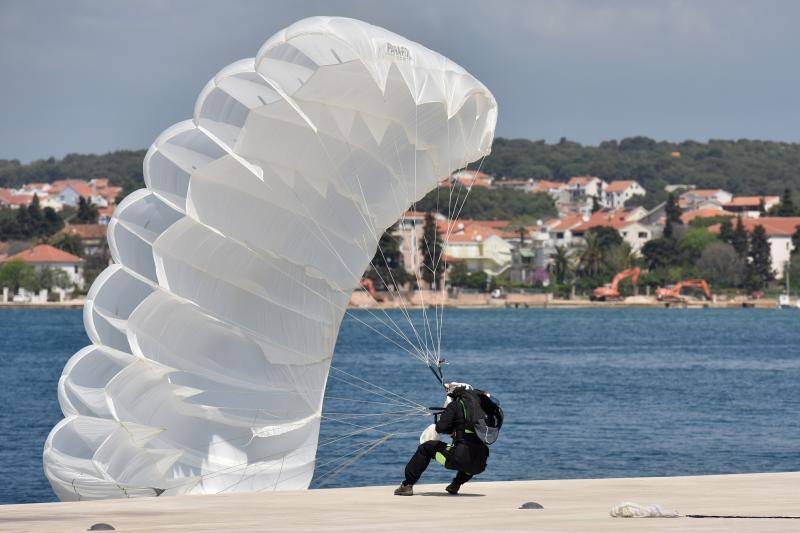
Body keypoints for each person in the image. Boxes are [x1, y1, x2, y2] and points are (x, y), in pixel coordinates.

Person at [394, 384, 489, 496]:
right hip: (480, 463)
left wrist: (450, 425)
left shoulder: (455, 405)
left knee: (425, 448)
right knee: (469, 452)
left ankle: (407, 485)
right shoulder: (483, 408)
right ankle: (456, 484)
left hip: (457, 460)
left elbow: (440, 428)